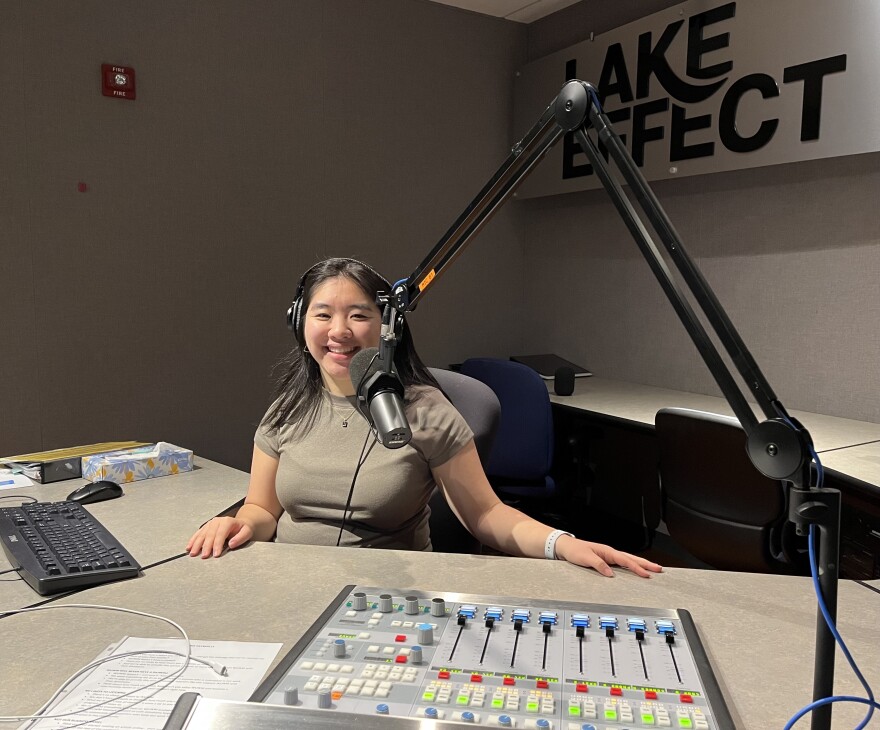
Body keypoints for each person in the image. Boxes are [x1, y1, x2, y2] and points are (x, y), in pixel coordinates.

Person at [187, 258, 662, 578]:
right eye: (322, 314)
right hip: (287, 583)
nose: (339, 331)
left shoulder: (424, 411)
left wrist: (562, 543)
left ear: (387, 326)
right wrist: (237, 523)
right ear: (299, 322)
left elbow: (486, 514)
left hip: (388, 595)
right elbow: (264, 509)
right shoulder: (287, 409)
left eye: (358, 315)